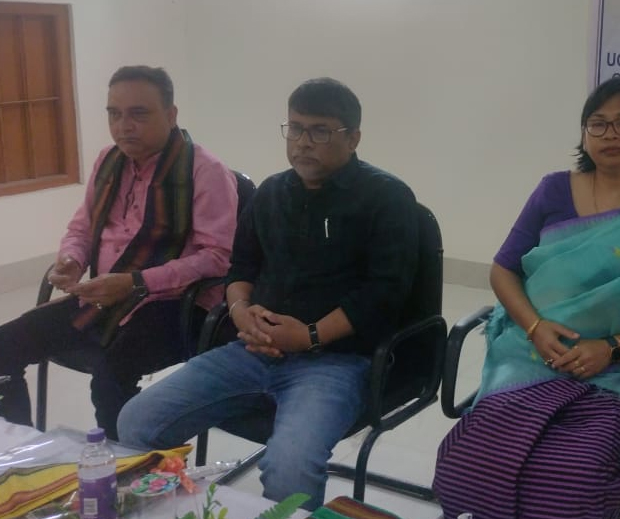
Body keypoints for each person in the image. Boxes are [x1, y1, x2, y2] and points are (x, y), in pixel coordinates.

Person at [117, 78, 418, 509]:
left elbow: (384, 295)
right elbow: (242, 268)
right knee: (136, 422)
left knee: (289, 470)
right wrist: (241, 313)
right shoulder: (273, 193)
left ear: (353, 138)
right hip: (253, 349)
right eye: (295, 128)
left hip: (335, 361)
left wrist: (309, 336)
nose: (303, 142)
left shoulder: (387, 199)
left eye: (320, 131)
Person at [433, 77, 620, 519]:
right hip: (529, 355)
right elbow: (504, 269)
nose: (610, 133)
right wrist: (535, 327)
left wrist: (611, 348)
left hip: (617, 373)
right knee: (472, 460)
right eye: (598, 123)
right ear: (584, 134)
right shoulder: (554, 191)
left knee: (572, 473)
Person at [0, 66, 238, 440]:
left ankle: (126, 471)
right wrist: (71, 260)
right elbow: (82, 228)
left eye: (138, 114)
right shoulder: (108, 161)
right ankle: (22, 457)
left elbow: (217, 258)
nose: (124, 126)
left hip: (176, 306)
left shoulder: (205, 171)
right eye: (114, 114)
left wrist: (136, 283)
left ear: (171, 115)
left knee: (109, 379)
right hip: (105, 298)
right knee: (5, 346)